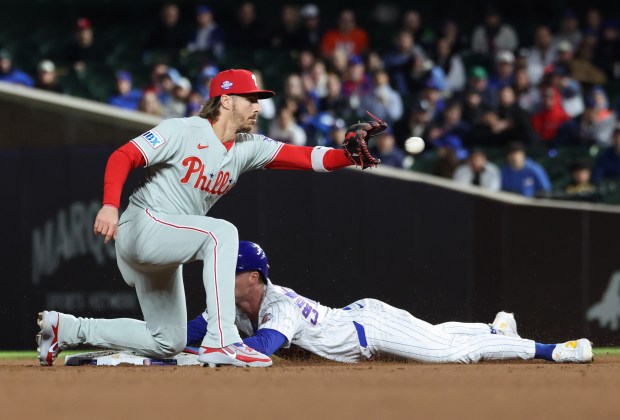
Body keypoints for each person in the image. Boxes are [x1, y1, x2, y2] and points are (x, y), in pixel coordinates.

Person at [36, 69, 383, 368]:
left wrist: (346, 157)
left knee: (166, 341)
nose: (259, 106)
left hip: (166, 247)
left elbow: (305, 157)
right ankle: (222, 339)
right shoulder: (183, 130)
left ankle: (66, 329)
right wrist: (110, 204)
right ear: (227, 100)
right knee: (220, 233)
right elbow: (122, 155)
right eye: (251, 98)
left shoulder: (248, 146)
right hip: (142, 225)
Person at [184, 241, 593, 364]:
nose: (217, 278)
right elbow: (188, 332)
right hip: (351, 317)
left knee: (450, 355)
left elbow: (260, 350)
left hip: (370, 331)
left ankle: (553, 349)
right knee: (436, 338)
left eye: (227, 272)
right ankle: (492, 329)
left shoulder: (278, 306)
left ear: (253, 278)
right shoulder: (232, 304)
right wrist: (161, 350)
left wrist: (199, 357)